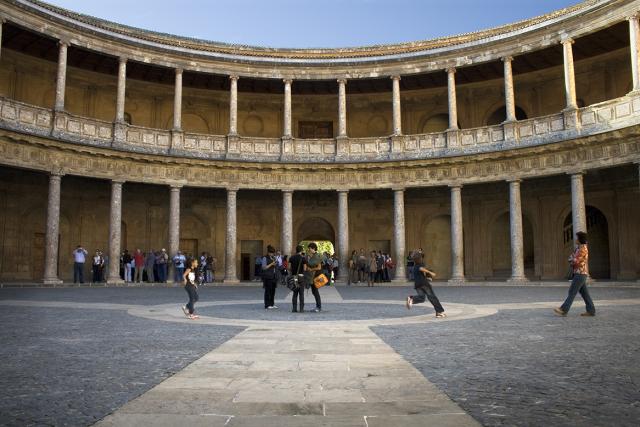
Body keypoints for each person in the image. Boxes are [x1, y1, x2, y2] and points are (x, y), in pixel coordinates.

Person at [554, 231, 596, 317]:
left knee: (572, 291)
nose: (575, 239)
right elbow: (571, 258)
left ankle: (564, 309)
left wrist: (573, 260)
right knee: (585, 294)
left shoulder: (583, 249)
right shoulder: (578, 249)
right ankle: (591, 310)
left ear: (580, 239)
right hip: (578, 273)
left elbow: (576, 261)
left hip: (581, 273)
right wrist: (573, 260)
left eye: (577, 238)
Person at [406, 252, 446, 318]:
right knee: (432, 297)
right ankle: (439, 312)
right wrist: (430, 273)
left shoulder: (415, 266)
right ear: (420, 258)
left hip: (417, 285)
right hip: (424, 284)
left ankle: (412, 299)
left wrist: (427, 277)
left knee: (422, 298)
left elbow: (421, 272)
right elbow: (421, 269)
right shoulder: (420, 264)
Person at [305, 242, 323, 312]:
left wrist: (311, 269)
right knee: (314, 291)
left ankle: (318, 307)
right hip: (311, 277)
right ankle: (318, 306)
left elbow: (319, 267)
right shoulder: (311, 256)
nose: (309, 250)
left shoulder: (317, 256)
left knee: (315, 291)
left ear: (314, 248)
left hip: (315, 276)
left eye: (310, 248)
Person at [289, 245, 306, 313]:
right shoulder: (303, 258)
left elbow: (289, 268)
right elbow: (305, 268)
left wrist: (293, 271)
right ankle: (301, 309)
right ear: (301, 250)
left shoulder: (291, 258)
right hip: (301, 277)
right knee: (301, 294)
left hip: (294, 277)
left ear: (296, 250)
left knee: (295, 293)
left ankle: (294, 308)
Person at [261, 245, 278, 309]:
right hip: (268, 277)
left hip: (273, 276)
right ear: (268, 252)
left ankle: (272, 304)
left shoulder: (273, 258)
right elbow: (264, 267)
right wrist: (271, 264)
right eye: (271, 253)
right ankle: (267, 305)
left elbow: (275, 266)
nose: (272, 254)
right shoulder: (265, 258)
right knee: (268, 291)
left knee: (273, 291)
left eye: (273, 253)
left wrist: (275, 263)